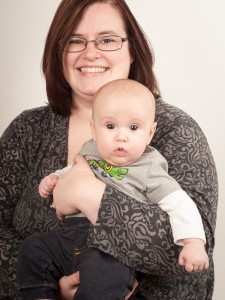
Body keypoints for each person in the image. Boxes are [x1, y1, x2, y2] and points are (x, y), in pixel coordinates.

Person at [0, 0, 218, 299]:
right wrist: (54, 290)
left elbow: (194, 253)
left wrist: (88, 194)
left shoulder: (176, 130)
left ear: (132, 51)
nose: (91, 52)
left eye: (107, 39)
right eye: (75, 40)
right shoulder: (27, 130)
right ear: (57, 51)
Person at [17, 79, 209, 299]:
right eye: (110, 126)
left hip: (110, 248)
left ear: (150, 133)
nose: (121, 136)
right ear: (94, 129)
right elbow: (72, 168)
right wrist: (54, 178)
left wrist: (193, 242)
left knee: (105, 274)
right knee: (33, 248)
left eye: (134, 127)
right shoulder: (91, 150)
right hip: (69, 238)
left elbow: (179, 203)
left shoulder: (150, 168)